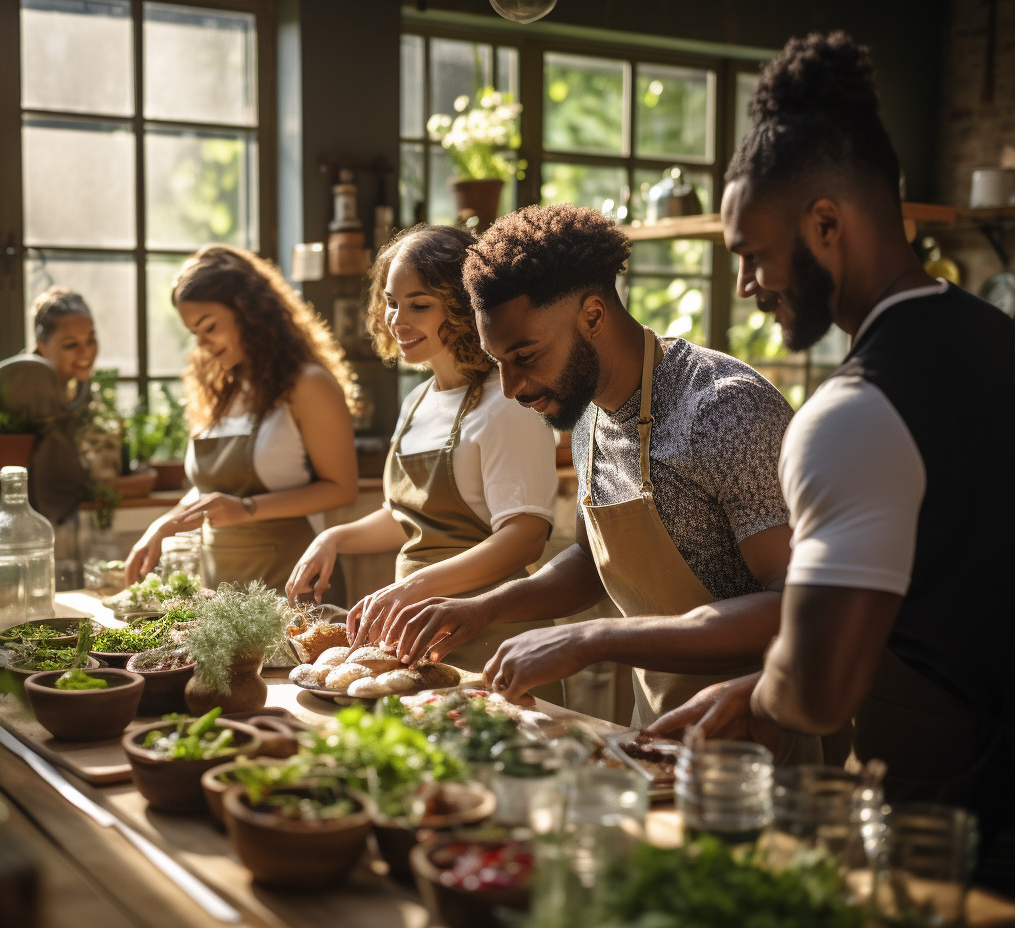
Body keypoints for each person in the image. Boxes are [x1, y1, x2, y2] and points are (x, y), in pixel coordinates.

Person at [646, 32, 1015, 890]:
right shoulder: (999, 341)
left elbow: (816, 691)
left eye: (752, 256)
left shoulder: (851, 414)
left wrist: (760, 697)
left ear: (825, 223)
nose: (745, 286)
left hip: (950, 835)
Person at [384, 204, 826, 760]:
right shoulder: (591, 412)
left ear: (593, 315)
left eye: (525, 356)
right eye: (499, 361)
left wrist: (591, 638)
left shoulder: (724, 410)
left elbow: (795, 605)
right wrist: (484, 608)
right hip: (659, 730)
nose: (513, 386)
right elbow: (595, 561)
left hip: (759, 738)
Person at [284, 224, 559, 685]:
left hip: (494, 636)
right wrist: (333, 538)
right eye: (392, 302)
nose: (397, 320)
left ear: (463, 307)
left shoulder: (507, 403)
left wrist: (411, 587)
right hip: (419, 635)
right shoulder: (417, 402)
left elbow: (524, 538)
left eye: (419, 305)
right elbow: (409, 516)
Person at [124, 245, 359, 600]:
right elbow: (211, 491)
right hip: (222, 591)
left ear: (249, 312)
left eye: (210, 327)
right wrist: (163, 525)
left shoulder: (308, 384)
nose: (202, 344)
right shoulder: (220, 393)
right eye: (194, 333)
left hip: (294, 585)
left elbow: (341, 488)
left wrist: (248, 509)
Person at [0, 287, 98, 527]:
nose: (86, 353)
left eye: (90, 340)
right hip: (10, 522)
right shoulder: (20, 384)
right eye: (71, 345)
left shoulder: (83, 388)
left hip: (68, 521)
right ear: (42, 345)